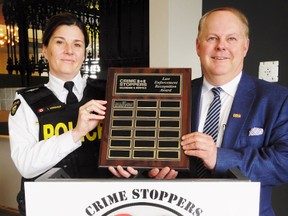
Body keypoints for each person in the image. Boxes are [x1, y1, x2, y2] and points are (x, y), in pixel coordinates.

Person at [110, 7, 288, 216]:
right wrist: (143, 168)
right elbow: (146, 149)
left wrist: (220, 157)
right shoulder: (169, 95)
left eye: (231, 39)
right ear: (198, 45)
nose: (221, 46)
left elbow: (283, 163)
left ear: (245, 46)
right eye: (212, 38)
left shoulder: (276, 99)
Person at [8, 12, 111, 216]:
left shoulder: (108, 93)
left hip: (103, 203)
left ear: (84, 53)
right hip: (49, 206)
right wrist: (75, 133)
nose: (69, 51)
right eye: (60, 42)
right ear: (45, 50)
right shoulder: (26, 102)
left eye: (77, 45)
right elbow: (26, 166)